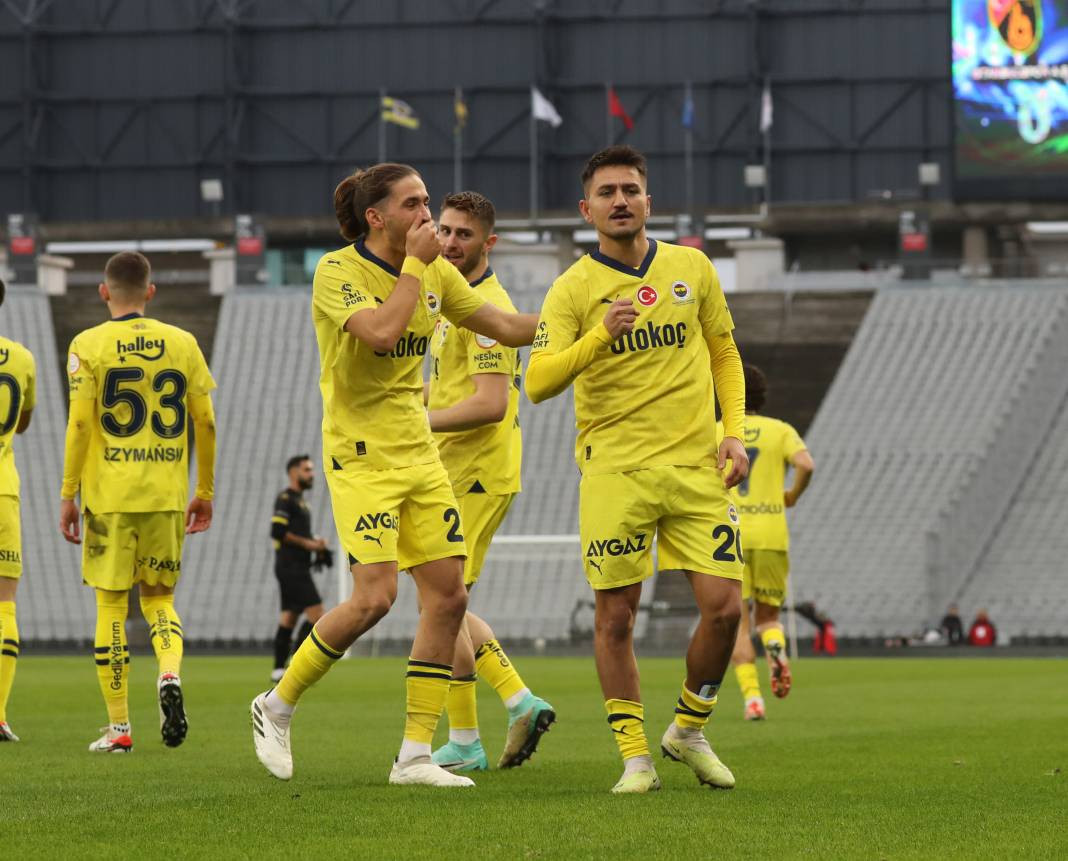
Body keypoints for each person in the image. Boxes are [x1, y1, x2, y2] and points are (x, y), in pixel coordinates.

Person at [250, 163, 537, 788]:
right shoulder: (337, 272)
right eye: (413, 204)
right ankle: (275, 705)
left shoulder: (435, 271)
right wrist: (414, 264)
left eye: (427, 201)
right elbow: (381, 334)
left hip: (420, 452)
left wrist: (584, 320)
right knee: (375, 598)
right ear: (377, 217)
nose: (427, 215)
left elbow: (506, 326)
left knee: (449, 597)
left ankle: (415, 755)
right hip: (361, 456)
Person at [525, 145, 748, 794]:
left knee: (726, 606)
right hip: (615, 471)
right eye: (607, 191)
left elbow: (726, 355)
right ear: (585, 207)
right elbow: (536, 381)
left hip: (694, 466)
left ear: (649, 200)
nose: (620, 200)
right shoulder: (573, 288)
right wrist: (599, 337)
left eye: (630, 189)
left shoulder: (692, 268)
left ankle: (688, 727)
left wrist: (733, 433)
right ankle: (636, 757)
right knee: (616, 616)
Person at [59, 252, 216, 753]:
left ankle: (120, 727)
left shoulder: (88, 344)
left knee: (110, 605)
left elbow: (82, 424)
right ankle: (168, 674)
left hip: (109, 498)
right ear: (150, 292)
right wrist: (204, 492)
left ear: (105, 292)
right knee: (159, 601)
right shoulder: (183, 343)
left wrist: (68, 494)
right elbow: (206, 423)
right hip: (166, 496)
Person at [425, 191, 554, 773]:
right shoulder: (449, 299)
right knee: (444, 601)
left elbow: (490, 403)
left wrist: (415, 419)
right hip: (456, 470)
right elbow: (452, 390)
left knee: (441, 603)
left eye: (464, 235)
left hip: (475, 474)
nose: (451, 243)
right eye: (445, 231)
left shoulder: (486, 310)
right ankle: (512, 706)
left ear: (488, 243)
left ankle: (471, 734)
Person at [727, 364, 814, 720]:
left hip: (730, 536)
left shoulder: (720, 431)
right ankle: (776, 652)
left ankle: (753, 700)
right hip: (771, 533)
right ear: (762, 397)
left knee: (739, 624)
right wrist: (791, 494)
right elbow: (806, 464)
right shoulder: (780, 431)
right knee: (768, 618)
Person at [0, 279, 36, 742]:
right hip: (3, 490)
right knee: (4, 602)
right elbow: (23, 420)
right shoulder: (22, 357)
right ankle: (0, 712)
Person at [269, 454, 329, 682]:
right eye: (307, 470)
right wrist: (311, 545)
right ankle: (296, 662)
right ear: (293, 472)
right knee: (319, 615)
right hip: (291, 567)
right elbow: (278, 532)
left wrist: (316, 542)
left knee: (289, 618)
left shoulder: (303, 502)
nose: (311, 474)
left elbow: (299, 534)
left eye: (312, 470)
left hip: (295, 566)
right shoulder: (286, 499)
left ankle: (277, 669)